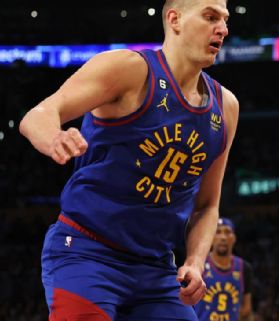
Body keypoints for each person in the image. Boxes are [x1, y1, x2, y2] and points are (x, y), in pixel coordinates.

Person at [18, 0, 238, 320]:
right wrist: (54, 137)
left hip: (157, 269)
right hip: (86, 253)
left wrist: (193, 261)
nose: (223, 28)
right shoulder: (131, 69)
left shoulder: (226, 107)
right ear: (174, 19)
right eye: (210, 17)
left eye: (225, 20)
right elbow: (38, 115)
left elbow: (207, 205)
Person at [194, 217, 254, 321]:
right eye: (218, 232)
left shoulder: (244, 268)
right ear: (211, 238)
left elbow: (247, 309)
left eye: (227, 232)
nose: (223, 237)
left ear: (234, 238)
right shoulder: (198, 265)